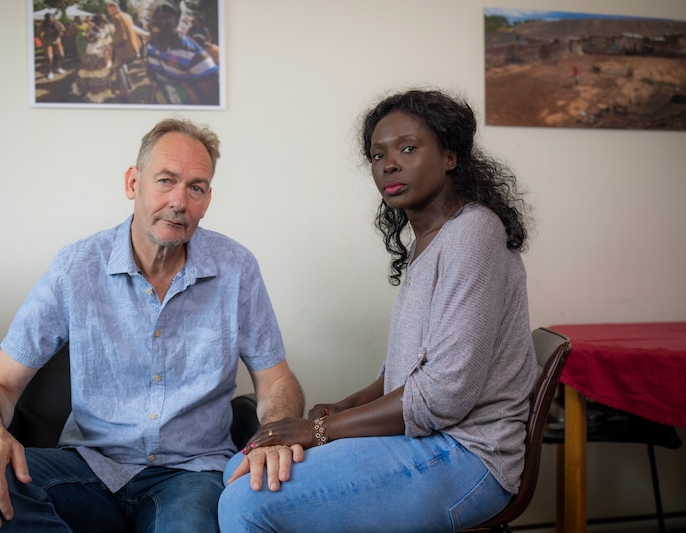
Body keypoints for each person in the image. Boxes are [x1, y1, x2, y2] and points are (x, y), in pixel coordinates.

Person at [0, 118, 304, 532]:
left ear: (207, 199)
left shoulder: (237, 268)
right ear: (132, 183)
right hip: (88, 467)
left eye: (196, 187)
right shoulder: (76, 267)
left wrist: (276, 434)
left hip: (191, 474)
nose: (179, 201)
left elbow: (276, 381)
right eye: (165, 180)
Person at [218, 89, 537, 532]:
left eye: (408, 148)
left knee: (247, 502)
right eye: (377, 154)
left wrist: (321, 432)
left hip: (469, 454)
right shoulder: (431, 242)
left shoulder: (473, 234)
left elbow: (443, 396)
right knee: (242, 467)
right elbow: (405, 374)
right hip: (427, 440)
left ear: (449, 156)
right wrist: (343, 406)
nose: (389, 164)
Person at [144, 0, 220, 106]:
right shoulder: (149, 47)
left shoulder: (195, 56)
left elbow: (213, 97)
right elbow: (153, 75)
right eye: (154, 17)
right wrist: (153, 96)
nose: (156, 22)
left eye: (164, 17)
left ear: (177, 21)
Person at [71, 15, 114, 103]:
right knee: (92, 74)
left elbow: (107, 43)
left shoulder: (102, 30)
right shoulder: (95, 30)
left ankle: (93, 94)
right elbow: (91, 39)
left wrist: (104, 49)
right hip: (93, 52)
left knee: (93, 74)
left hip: (95, 53)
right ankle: (90, 92)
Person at [106, 0, 141, 96]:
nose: (108, 12)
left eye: (109, 10)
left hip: (124, 50)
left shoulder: (116, 18)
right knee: (121, 66)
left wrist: (111, 44)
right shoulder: (127, 16)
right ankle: (129, 83)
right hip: (133, 47)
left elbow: (122, 37)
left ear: (114, 8)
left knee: (116, 68)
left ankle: (124, 92)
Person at [39, 13, 67, 80]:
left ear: (53, 18)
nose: (50, 20)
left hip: (57, 40)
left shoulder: (58, 23)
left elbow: (64, 29)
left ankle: (59, 67)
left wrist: (61, 32)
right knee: (49, 57)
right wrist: (42, 39)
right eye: (48, 19)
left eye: (51, 19)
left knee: (61, 55)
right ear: (46, 19)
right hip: (47, 41)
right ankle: (50, 71)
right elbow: (38, 32)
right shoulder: (43, 24)